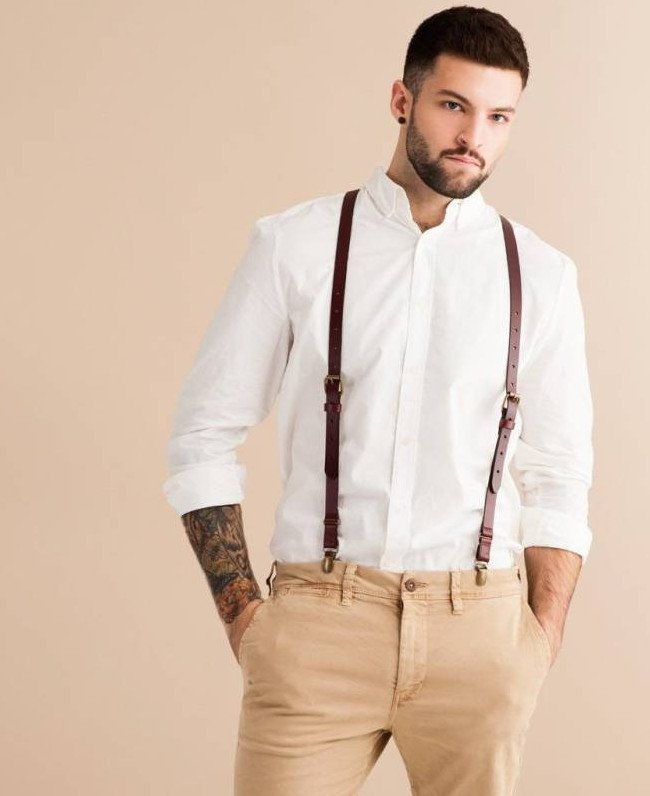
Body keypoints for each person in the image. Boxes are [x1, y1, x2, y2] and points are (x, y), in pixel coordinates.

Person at [163, 6, 594, 794]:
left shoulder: (541, 276)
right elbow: (201, 436)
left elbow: (560, 472)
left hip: (481, 634)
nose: (474, 136)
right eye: (454, 105)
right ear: (403, 100)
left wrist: (538, 641)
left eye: (499, 117)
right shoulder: (293, 246)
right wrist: (247, 620)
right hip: (318, 627)